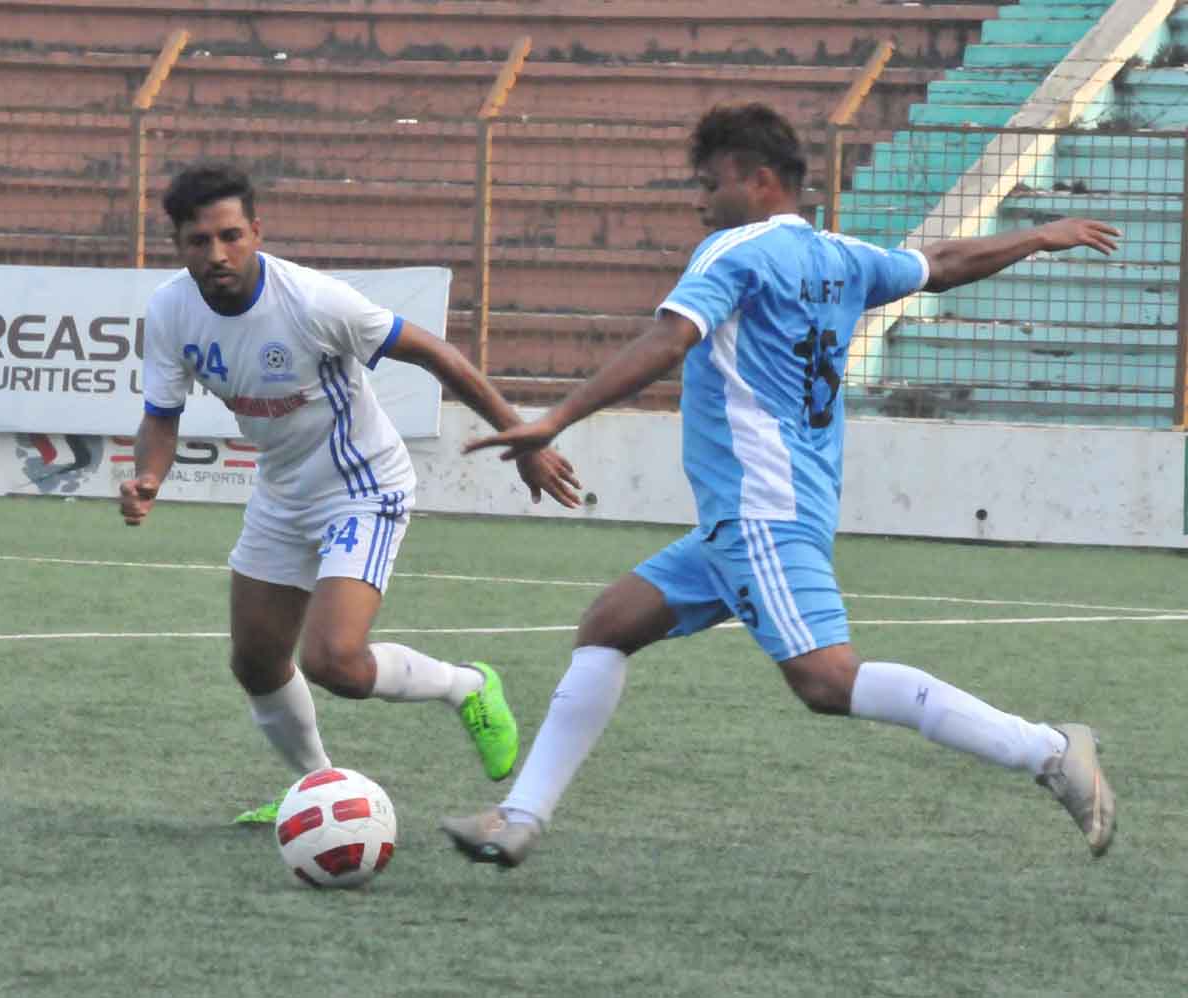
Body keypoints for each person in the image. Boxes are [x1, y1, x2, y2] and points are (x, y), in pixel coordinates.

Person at [440, 103, 1120, 866]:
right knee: (608, 626)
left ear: (757, 179)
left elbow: (671, 338)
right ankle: (521, 816)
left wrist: (555, 417)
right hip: (759, 515)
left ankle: (1050, 751)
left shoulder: (733, 250)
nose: (700, 201)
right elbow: (943, 265)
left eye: (710, 182)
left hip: (760, 510)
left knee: (827, 681)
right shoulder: (840, 255)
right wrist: (1037, 235)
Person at [120, 163, 581, 823]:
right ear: (179, 245)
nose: (217, 254)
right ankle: (319, 789)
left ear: (256, 231)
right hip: (282, 493)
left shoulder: (314, 303)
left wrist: (524, 440)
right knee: (255, 662)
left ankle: (468, 687)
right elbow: (161, 416)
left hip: (362, 485)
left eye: (230, 236)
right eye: (200, 241)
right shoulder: (170, 309)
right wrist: (150, 478)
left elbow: (433, 353)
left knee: (334, 659)